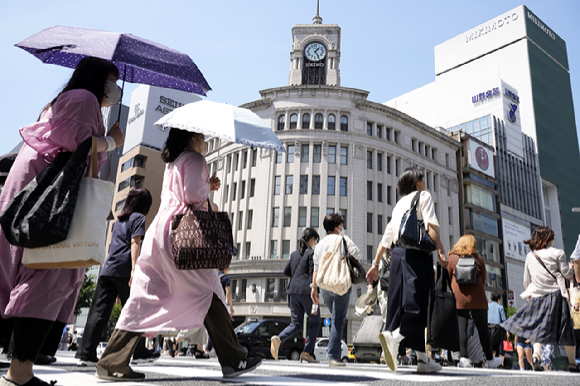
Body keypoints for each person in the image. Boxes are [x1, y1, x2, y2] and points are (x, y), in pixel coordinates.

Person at [95, 128, 261, 381]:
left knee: (146, 296)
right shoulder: (194, 159)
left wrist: (206, 184)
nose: (205, 142)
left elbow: (183, 193)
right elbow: (195, 197)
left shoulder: (174, 161)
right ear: (193, 138)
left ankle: (111, 360)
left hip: (161, 231)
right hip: (185, 233)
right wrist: (206, 187)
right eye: (202, 137)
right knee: (208, 289)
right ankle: (233, 359)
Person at [0, 56, 124, 386]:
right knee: (47, 274)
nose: (115, 88)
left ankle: (20, 364)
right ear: (100, 79)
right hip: (51, 196)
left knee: (22, 272)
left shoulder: (63, 100)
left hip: (33, 189)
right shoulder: (84, 100)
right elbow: (80, 146)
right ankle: (20, 370)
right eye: (112, 80)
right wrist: (113, 141)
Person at [366, 167, 447, 374]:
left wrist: (375, 265)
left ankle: (422, 359)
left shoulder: (399, 204)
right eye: (424, 179)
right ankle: (395, 338)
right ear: (418, 182)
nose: (425, 183)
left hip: (397, 258)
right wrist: (441, 253)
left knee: (404, 305)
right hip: (417, 256)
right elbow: (431, 228)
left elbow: (386, 238)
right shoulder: (424, 196)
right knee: (423, 305)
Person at [75, 187, 156, 367]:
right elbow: (135, 242)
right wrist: (135, 269)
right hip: (125, 269)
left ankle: (85, 353)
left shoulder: (119, 221)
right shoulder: (139, 218)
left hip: (108, 269)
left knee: (98, 312)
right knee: (136, 310)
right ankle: (139, 352)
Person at [501, 226, 578, 372]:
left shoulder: (531, 256)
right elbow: (566, 274)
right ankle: (573, 363)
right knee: (566, 330)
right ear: (549, 239)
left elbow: (526, 281)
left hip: (537, 297)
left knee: (539, 329)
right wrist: (571, 269)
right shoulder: (558, 253)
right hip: (556, 297)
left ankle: (536, 356)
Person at [311, 213, 361, 367]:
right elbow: (358, 255)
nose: (343, 227)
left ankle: (335, 354)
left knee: (336, 320)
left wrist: (314, 288)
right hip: (340, 284)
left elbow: (316, 268)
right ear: (337, 227)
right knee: (338, 320)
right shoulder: (343, 239)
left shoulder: (319, 245)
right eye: (341, 224)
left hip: (325, 286)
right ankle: (333, 356)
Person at [447, 235, 503, 368]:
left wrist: (454, 290)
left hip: (459, 298)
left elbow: (448, 278)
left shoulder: (453, 258)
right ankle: (489, 360)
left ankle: (463, 358)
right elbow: (483, 279)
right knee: (483, 329)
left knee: (462, 328)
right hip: (478, 298)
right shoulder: (478, 259)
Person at [271, 228, 321, 363]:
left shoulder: (294, 255)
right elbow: (313, 274)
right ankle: (306, 352)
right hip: (307, 291)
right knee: (315, 322)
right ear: (312, 239)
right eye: (316, 240)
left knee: (296, 323)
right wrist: (315, 290)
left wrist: (297, 274)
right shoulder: (312, 253)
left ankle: (279, 338)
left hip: (292, 291)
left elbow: (286, 271)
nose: (316, 243)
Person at [487, 292, 508, 360]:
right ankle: (501, 364)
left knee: (491, 346)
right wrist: (507, 331)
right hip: (498, 329)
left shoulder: (488, 306)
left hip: (489, 328)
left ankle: (491, 361)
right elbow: (504, 320)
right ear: (499, 299)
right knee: (500, 346)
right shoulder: (500, 307)